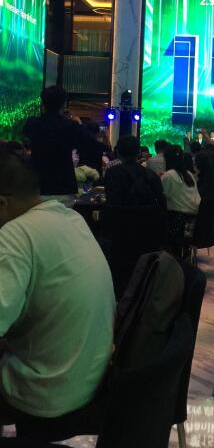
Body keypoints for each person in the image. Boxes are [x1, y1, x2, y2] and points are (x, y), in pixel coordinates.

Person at [0, 149, 115, 423]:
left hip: (45, 391)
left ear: (2, 203)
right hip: (92, 379)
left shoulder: (14, 235)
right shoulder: (71, 218)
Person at [24, 86, 104, 206]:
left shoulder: (32, 124)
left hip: (37, 187)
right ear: (64, 104)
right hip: (63, 187)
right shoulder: (71, 126)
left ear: (42, 103)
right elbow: (93, 144)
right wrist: (78, 123)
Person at [104, 136, 166, 208]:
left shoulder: (111, 173)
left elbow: (111, 201)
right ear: (139, 152)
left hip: (118, 215)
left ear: (117, 152)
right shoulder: (152, 176)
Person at [161, 145, 201, 214]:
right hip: (195, 213)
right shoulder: (188, 173)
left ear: (167, 159)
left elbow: (162, 195)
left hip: (178, 216)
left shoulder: (168, 175)